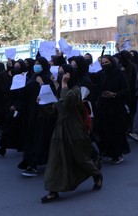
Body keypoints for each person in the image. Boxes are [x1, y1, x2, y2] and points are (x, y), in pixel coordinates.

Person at [41, 64, 102, 203]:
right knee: (56, 159)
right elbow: (55, 110)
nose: (62, 76)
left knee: (80, 157)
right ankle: (53, 190)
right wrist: (44, 104)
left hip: (74, 129)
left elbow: (68, 102)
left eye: (64, 73)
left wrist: (63, 84)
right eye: (60, 73)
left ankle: (97, 175)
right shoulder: (60, 89)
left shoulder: (77, 90)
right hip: (60, 129)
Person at [93, 55, 130, 164]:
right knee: (103, 130)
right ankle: (106, 151)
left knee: (115, 131)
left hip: (116, 107)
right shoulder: (102, 74)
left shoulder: (119, 74)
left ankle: (117, 154)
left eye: (106, 62)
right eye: (102, 62)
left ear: (112, 62)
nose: (104, 64)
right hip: (103, 106)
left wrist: (114, 94)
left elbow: (126, 90)